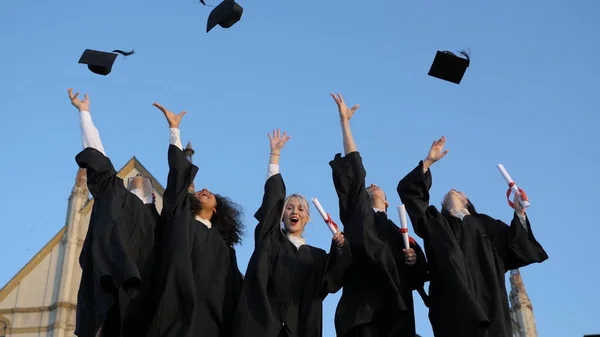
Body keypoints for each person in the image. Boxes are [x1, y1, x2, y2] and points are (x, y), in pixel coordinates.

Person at [397, 136, 549, 337]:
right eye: (448, 192)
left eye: (458, 190)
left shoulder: (487, 225)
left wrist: (520, 213)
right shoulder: (435, 221)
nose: (452, 189)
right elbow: (411, 194)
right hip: (452, 306)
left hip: (489, 304)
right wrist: (428, 162)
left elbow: (516, 246)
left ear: (466, 201)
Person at [232, 129, 352, 337]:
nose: (294, 211)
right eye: (289, 208)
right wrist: (275, 156)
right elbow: (272, 199)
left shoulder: (317, 256)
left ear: (307, 218)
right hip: (262, 325)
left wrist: (341, 248)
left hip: (299, 328)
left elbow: (331, 280)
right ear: (281, 215)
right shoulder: (270, 240)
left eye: (300, 209)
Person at [328, 93, 429, 337]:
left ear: (386, 200)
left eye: (377, 186)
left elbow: (419, 276)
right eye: (367, 186)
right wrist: (345, 124)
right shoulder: (358, 212)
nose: (372, 185)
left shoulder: (401, 233)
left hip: (397, 312)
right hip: (363, 310)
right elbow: (355, 168)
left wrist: (414, 261)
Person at [68, 88, 160, 337]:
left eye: (144, 177)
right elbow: (98, 154)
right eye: (135, 176)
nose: (139, 176)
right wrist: (85, 113)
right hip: (110, 282)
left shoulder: (158, 221)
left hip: (142, 293)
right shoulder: (114, 192)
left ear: (154, 196)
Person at [147, 103, 244, 337]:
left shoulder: (224, 248)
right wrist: (174, 131)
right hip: (175, 317)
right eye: (200, 190)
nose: (205, 189)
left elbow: (236, 294)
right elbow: (179, 179)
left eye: (211, 194)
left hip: (212, 324)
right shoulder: (181, 222)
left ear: (218, 210)